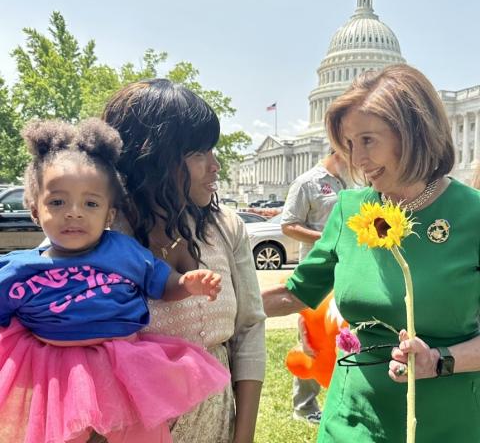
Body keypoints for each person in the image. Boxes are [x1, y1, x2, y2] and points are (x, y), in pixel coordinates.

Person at [262, 64, 480, 442]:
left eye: (367, 140)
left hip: (449, 421)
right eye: (348, 144)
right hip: (352, 421)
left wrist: (439, 360)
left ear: (414, 133)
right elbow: (295, 293)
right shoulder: (349, 209)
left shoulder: (472, 215)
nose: (356, 160)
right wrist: (203, 303)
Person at [0, 119, 231, 443]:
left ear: (109, 215)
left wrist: (188, 284)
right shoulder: (16, 270)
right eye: (57, 202)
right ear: (35, 210)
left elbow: (161, 283)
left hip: (124, 365)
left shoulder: (123, 251)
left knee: (140, 436)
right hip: (54, 376)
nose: (74, 212)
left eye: (91, 203)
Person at [102, 79, 266, 443]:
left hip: (216, 424)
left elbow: (249, 330)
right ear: (152, 159)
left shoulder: (226, 228)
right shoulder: (100, 235)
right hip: (129, 430)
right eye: (198, 153)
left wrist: (244, 437)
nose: (216, 165)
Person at [281, 149, 347, 424]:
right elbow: (288, 225)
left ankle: (338, 399)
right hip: (316, 273)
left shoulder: (353, 182)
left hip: (345, 269)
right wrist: (327, 237)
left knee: (342, 335)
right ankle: (304, 407)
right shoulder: (307, 182)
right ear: (341, 150)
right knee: (311, 338)